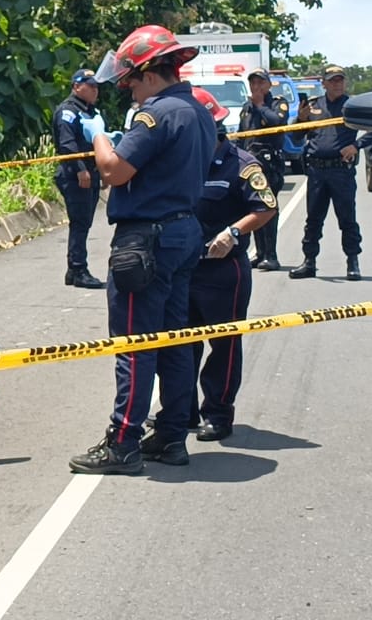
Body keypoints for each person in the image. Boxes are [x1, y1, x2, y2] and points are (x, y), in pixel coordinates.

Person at [67, 24, 214, 474]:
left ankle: (124, 442)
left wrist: (98, 138)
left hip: (147, 240)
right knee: (173, 341)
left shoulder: (157, 114)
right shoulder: (199, 112)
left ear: (150, 72)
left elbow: (113, 171)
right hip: (185, 232)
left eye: (130, 80)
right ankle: (171, 436)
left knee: (135, 343)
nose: (128, 89)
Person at [188, 87, 278, 442]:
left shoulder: (242, 165)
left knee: (223, 344)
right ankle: (180, 411)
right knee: (180, 344)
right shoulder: (182, 162)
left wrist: (233, 232)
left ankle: (218, 413)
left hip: (224, 269)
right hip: (184, 266)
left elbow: (266, 207)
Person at [289, 66, 362, 281]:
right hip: (317, 171)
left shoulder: (352, 106)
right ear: (324, 83)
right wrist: (301, 120)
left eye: (340, 80)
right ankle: (309, 261)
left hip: (341, 171)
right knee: (313, 219)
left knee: (347, 219)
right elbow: (296, 138)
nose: (337, 84)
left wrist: (356, 146)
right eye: (332, 81)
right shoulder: (313, 106)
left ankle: (352, 261)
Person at [53, 68, 106, 289]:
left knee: (84, 222)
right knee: (80, 223)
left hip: (90, 173)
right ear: (77, 86)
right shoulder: (69, 111)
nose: (95, 90)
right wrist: (81, 170)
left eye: (96, 86)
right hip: (75, 175)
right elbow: (67, 146)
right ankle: (78, 269)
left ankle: (73, 270)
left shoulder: (90, 111)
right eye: (90, 85)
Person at [236, 68, 289, 271]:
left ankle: (271, 255)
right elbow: (242, 135)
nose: (256, 87)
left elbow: (277, 122)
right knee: (254, 208)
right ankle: (259, 253)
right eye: (253, 83)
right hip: (250, 165)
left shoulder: (277, 103)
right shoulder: (246, 107)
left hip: (269, 164)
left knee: (268, 208)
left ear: (268, 85)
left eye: (260, 83)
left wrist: (260, 105)